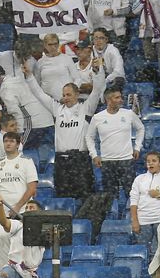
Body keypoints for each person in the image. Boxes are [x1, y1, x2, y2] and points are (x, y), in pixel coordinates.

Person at [26, 56, 103, 199]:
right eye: (64, 95)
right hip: (61, 161)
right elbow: (39, 94)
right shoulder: (57, 109)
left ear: (77, 94)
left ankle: (82, 221)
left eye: (69, 95)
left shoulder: (86, 108)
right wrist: (30, 76)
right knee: (63, 197)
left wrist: (98, 71)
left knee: (84, 196)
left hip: (80, 160)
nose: (65, 98)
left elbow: (97, 90)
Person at [86, 86, 145, 197]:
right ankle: (111, 214)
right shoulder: (98, 117)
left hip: (126, 160)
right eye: (117, 98)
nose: (121, 100)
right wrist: (94, 155)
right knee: (109, 197)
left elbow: (141, 128)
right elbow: (89, 137)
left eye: (121, 97)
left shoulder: (128, 114)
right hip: (107, 162)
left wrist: (137, 147)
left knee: (132, 195)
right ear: (109, 100)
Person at [130, 151, 160, 248]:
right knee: (142, 251)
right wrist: (135, 221)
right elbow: (134, 201)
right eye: (148, 161)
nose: (150, 163)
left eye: (153, 161)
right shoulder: (139, 179)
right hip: (143, 221)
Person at [0, 132, 38, 214]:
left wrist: (17, 207)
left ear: (18, 145)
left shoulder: (27, 162)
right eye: (6, 141)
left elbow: (32, 188)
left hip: (23, 211)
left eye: (11, 141)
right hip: (2, 212)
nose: (8, 143)